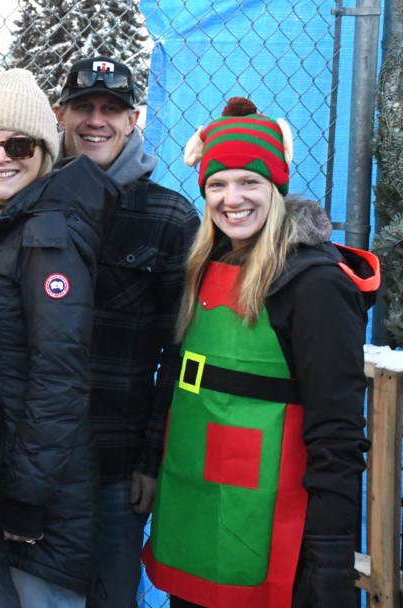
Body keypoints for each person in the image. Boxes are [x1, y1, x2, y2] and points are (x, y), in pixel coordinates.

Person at [142, 97, 379, 607]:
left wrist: (328, 559)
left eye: (250, 182)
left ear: (277, 186)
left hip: (275, 537)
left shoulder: (313, 284)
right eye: (217, 184)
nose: (232, 199)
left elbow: (338, 432)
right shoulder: (204, 265)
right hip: (196, 516)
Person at [0, 68, 122, 606]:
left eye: (18, 144)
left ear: (44, 152)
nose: (0, 157)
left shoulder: (46, 237)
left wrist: (27, 496)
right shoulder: (11, 228)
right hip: (6, 478)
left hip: (38, 495)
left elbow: (59, 375)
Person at [52, 56, 201, 607]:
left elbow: (180, 354)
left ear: (134, 118)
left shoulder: (170, 218)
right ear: (59, 114)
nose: (97, 121)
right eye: (84, 107)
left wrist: (150, 458)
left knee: (111, 596)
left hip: (117, 464)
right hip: (34, 458)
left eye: (111, 109)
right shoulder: (31, 203)